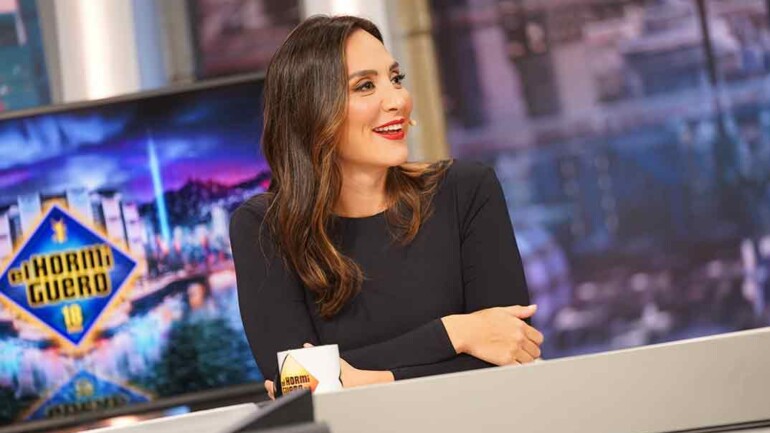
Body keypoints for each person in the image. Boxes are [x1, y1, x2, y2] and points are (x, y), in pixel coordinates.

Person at [230, 15, 543, 399]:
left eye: (396, 78)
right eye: (365, 86)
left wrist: (367, 379)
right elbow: (298, 384)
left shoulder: (467, 191)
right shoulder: (263, 227)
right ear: (311, 111)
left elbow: (513, 349)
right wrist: (455, 333)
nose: (398, 100)